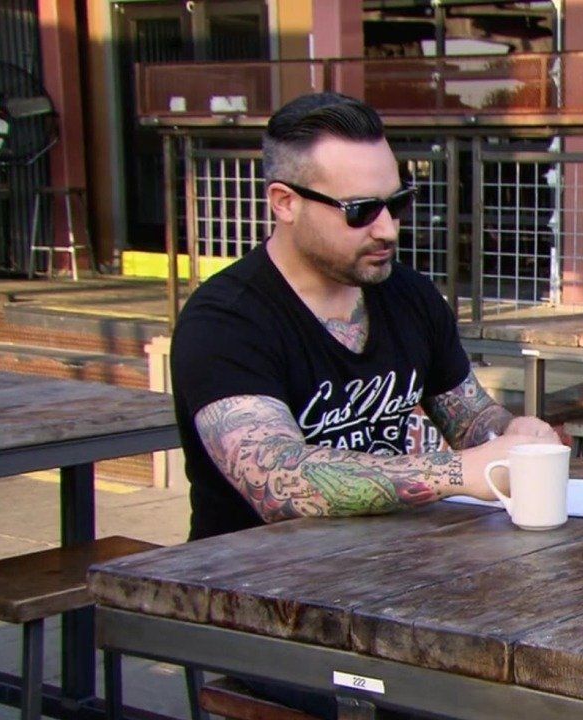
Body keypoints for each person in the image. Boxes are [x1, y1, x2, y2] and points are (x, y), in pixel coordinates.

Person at [169, 92, 559, 719]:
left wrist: (518, 433)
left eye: (397, 203)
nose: (387, 229)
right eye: (360, 211)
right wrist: (465, 472)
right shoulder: (227, 320)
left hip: (396, 588)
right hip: (265, 612)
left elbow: (470, 418)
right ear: (285, 203)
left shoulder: (408, 296)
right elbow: (280, 481)